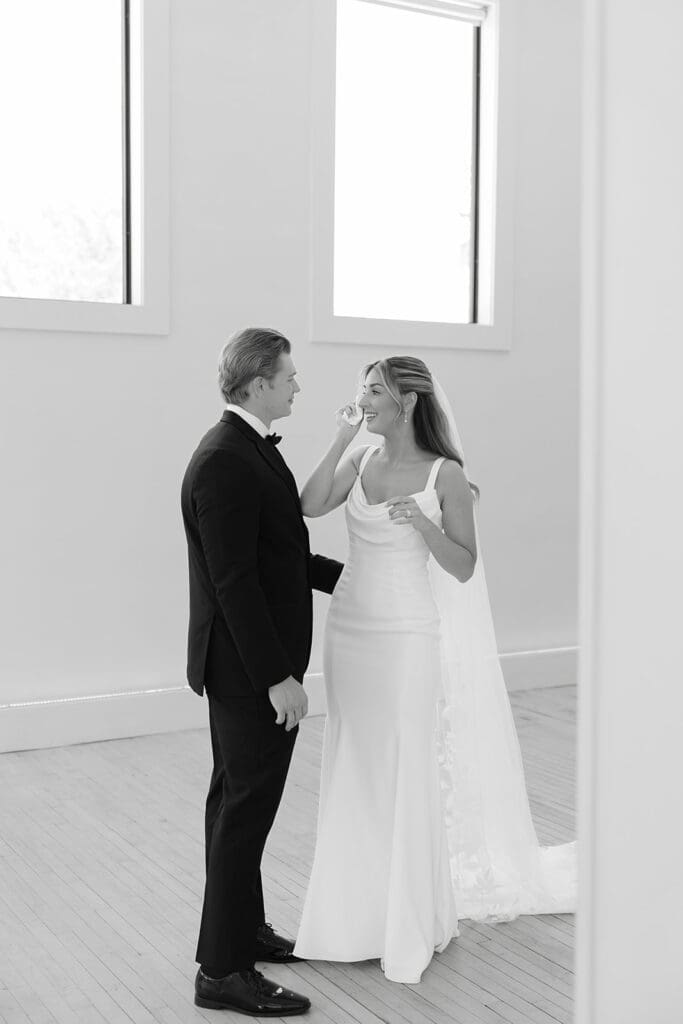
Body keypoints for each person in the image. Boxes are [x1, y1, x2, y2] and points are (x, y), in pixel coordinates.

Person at [293, 356, 577, 984]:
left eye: (374, 392)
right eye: (362, 390)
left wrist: (423, 523)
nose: (363, 400)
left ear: (408, 401)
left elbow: (464, 566)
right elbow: (308, 504)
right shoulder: (361, 460)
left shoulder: (446, 475)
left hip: (407, 633)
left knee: (405, 765)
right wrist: (341, 436)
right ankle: (347, 920)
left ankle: (410, 921)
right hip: (350, 631)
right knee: (352, 762)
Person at [181, 327, 343, 1016]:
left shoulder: (247, 450)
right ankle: (222, 973)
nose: (297, 386)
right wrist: (277, 675)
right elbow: (233, 581)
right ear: (255, 383)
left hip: (249, 664)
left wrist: (356, 580)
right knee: (244, 811)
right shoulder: (226, 459)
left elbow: (276, 555)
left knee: (238, 806)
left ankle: (241, 929)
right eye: (288, 377)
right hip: (249, 669)